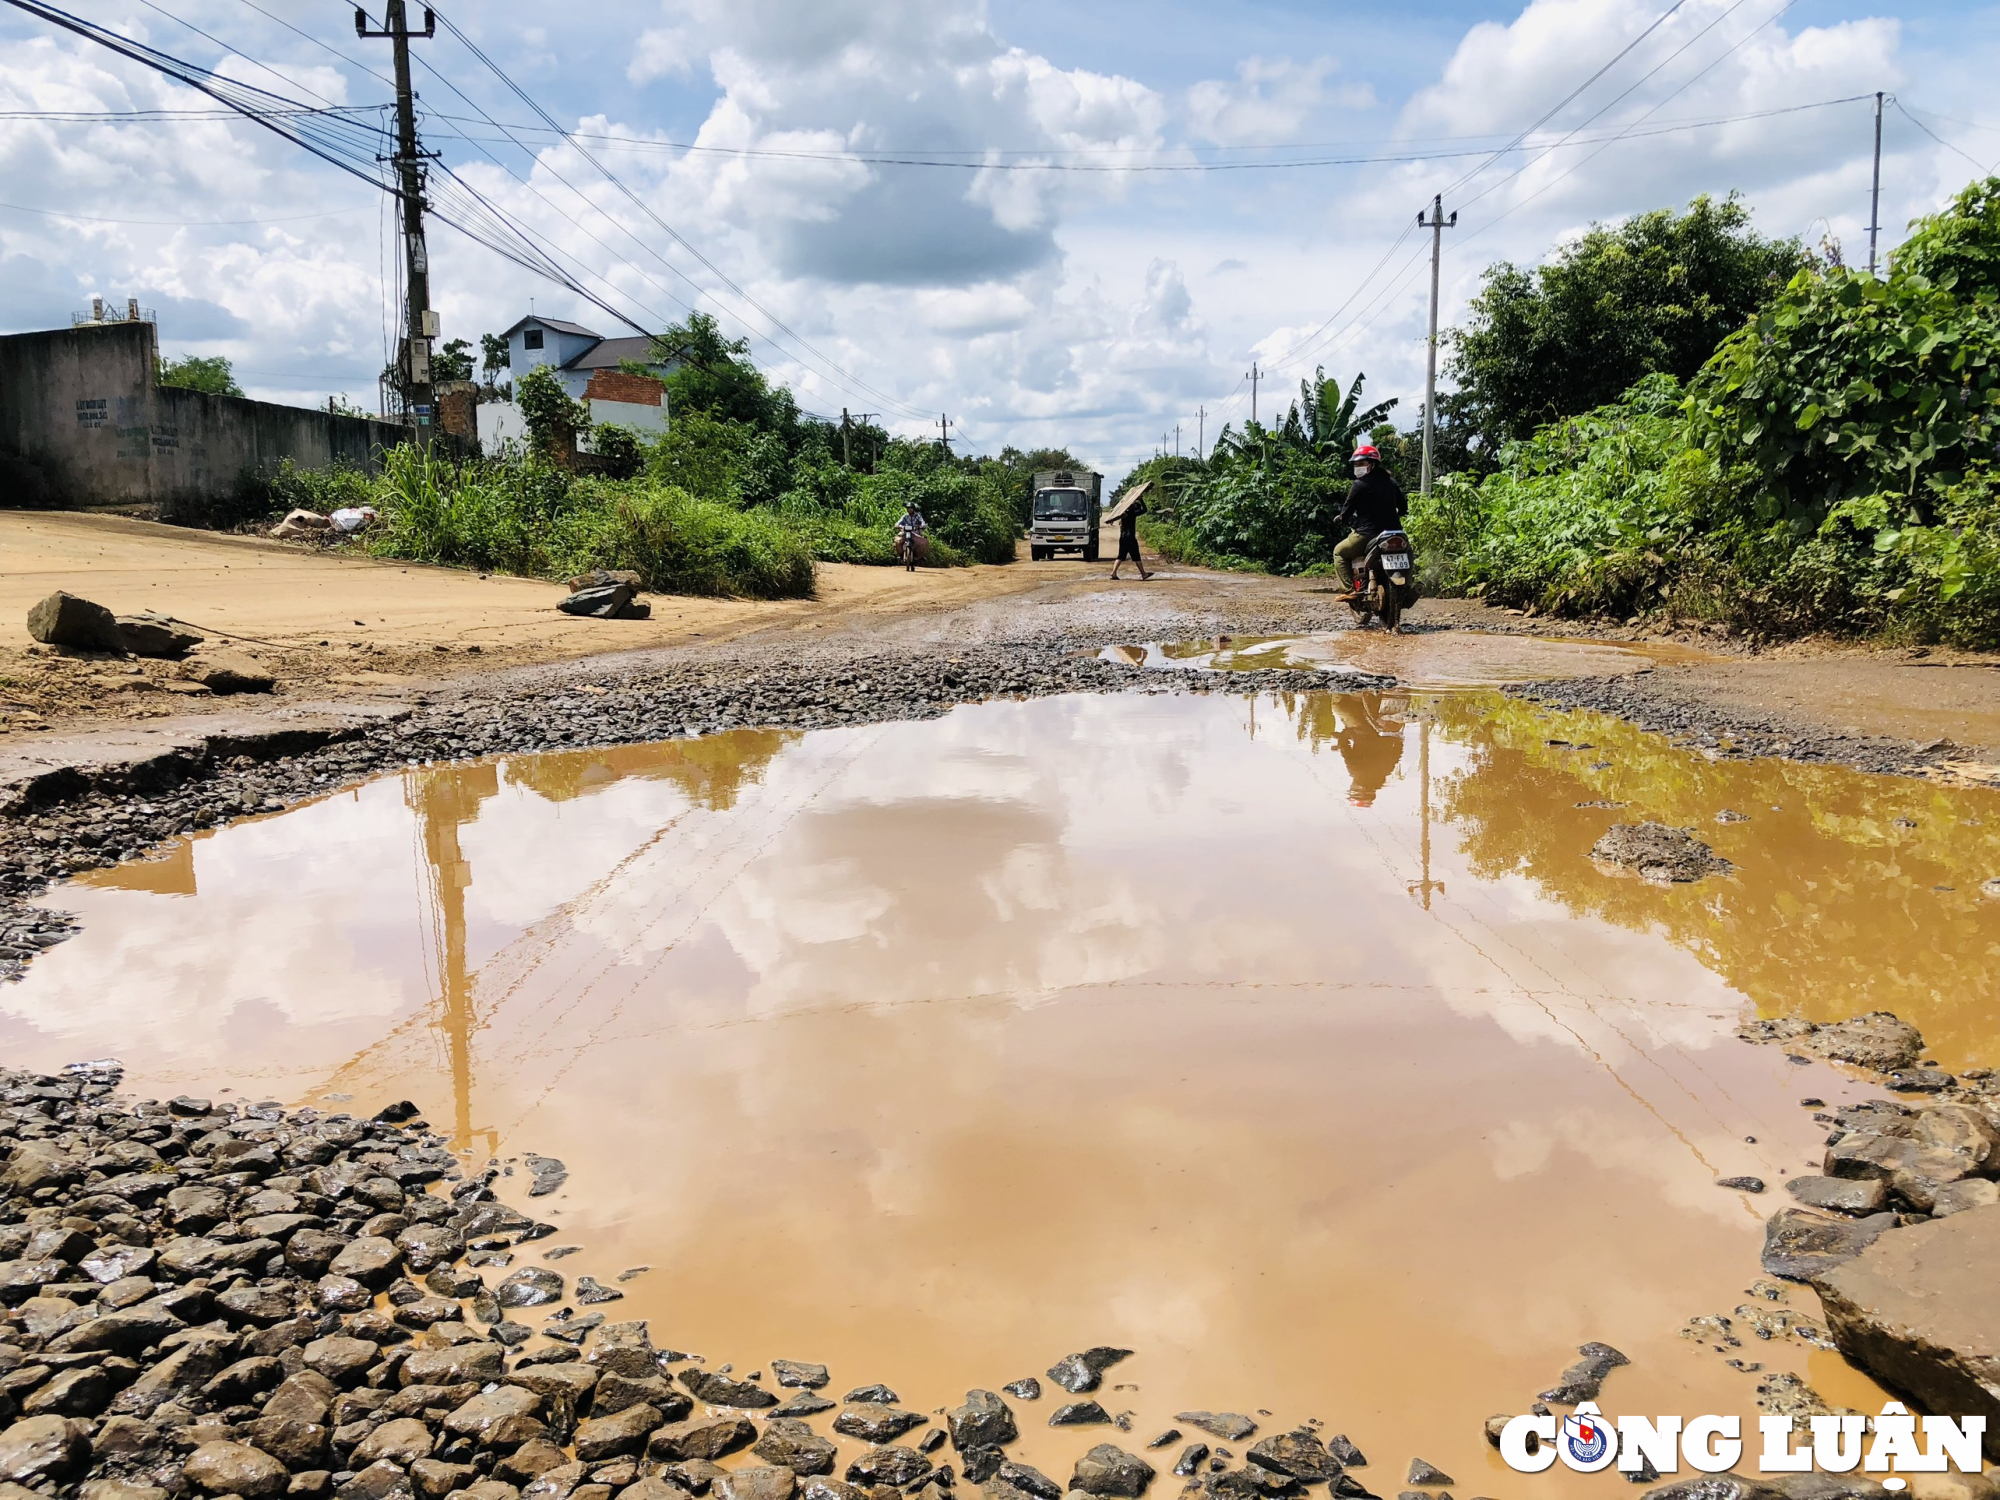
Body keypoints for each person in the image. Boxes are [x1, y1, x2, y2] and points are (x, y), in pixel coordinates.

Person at [1333, 444, 1407, 593]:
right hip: (1395, 532)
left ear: (1372, 464)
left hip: (1367, 534)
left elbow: (1347, 510)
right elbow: (1404, 507)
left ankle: (1349, 591)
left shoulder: (1359, 485)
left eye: (1361, 463)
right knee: (1408, 552)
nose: (1358, 467)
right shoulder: (1391, 483)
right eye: (1356, 464)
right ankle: (1408, 585)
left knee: (1339, 552)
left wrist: (1342, 518)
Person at [1110, 491, 1150, 580]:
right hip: (1130, 537)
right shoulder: (1132, 513)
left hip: (1123, 537)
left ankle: (1114, 573)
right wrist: (1141, 500)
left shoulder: (1123, 513)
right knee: (1136, 556)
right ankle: (1143, 574)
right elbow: (1145, 510)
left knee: (1120, 556)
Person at [895, 502, 928, 568]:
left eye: (911, 508)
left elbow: (923, 523)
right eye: (908, 508)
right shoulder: (905, 516)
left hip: (915, 533)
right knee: (897, 541)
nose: (910, 510)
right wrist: (898, 526)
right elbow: (898, 523)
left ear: (913, 509)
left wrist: (921, 526)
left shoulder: (918, 516)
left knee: (924, 542)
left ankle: (920, 556)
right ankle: (901, 555)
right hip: (905, 532)